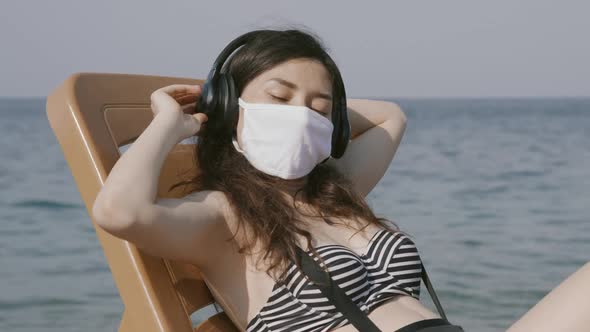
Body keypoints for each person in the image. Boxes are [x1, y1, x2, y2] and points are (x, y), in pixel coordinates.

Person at [92, 28, 590, 332]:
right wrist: (169, 123)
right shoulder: (225, 217)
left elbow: (391, 117)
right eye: (280, 97)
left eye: (318, 107)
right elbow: (119, 212)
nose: (301, 116)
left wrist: (323, 109)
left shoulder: (337, 192)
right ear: (231, 107)